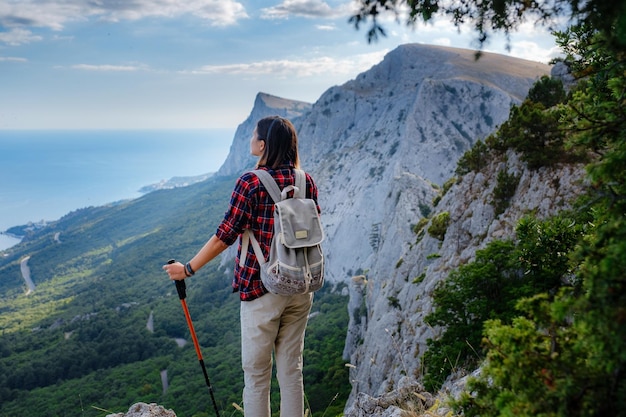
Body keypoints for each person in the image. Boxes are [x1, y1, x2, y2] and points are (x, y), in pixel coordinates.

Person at [163, 116, 319, 417]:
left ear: (263, 144)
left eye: (253, 135)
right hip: (301, 286)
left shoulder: (251, 182)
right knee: (291, 371)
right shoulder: (305, 181)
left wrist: (188, 269)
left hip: (263, 290)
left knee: (257, 376)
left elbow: (225, 236)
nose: (250, 138)